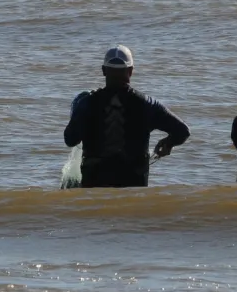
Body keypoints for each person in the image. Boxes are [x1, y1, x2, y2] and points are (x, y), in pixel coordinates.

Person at [64, 45, 190, 188]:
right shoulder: (147, 104)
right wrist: (168, 143)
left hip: (94, 185)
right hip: (133, 187)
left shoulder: (86, 103)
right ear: (130, 71)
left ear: (104, 71)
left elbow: (70, 139)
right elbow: (182, 131)